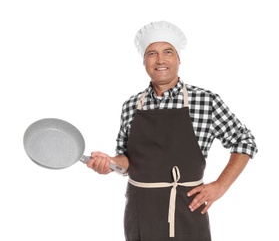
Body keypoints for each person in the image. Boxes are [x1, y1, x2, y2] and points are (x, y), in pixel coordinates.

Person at [87, 20, 258, 241]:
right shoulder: (131, 105)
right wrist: (109, 163)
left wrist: (220, 186)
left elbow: (244, 141)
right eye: (152, 53)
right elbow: (126, 161)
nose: (160, 60)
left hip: (188, 213)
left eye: (167, 52)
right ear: (144, 61)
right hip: (140, 214)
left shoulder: (205, 101)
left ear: (178, 59)